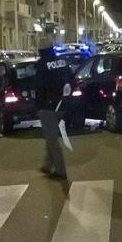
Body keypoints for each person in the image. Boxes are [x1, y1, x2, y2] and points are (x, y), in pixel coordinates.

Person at [35, 39, 73, 180]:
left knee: (52, 139)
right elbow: (71, 80)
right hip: (62, 105)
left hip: (48, 106)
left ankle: (60, 171)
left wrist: (38, 106)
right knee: (50, 136)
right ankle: (47, 165)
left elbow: (39, 87)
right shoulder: (62, 62)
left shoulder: (41, 64)